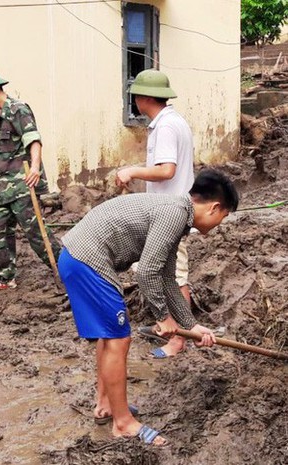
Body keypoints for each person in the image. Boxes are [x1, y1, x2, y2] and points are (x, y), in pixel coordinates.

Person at [58, 169, 239, 446]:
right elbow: (146, 272)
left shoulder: (176, 213)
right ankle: (123, 423)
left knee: (111, 336)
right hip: (87, 260)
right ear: (214, 207)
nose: (218, 224)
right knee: (119, 338)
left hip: (77, 257)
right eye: (223, 217)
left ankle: (106, 404)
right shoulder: (174, 214)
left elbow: (166, 277)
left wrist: (190, 325)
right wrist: (163, 317)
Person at [116, 69, 194, 359]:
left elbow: (166, 170)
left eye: (136, 95)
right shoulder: (169, 123)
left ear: (145, 98)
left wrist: (132, 170)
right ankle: (170, 326)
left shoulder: (166, 127)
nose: (135, 100)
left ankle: (178, 340)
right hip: (166, 211)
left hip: (170, 213)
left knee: (175, 275)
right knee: (164, 272)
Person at [0, 71, 62, 296]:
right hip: (0, 188)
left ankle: (68, 271)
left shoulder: (18, 110)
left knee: (36, 234)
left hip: (21, 186)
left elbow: (34, 140)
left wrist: (35, 167)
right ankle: (5, 277)